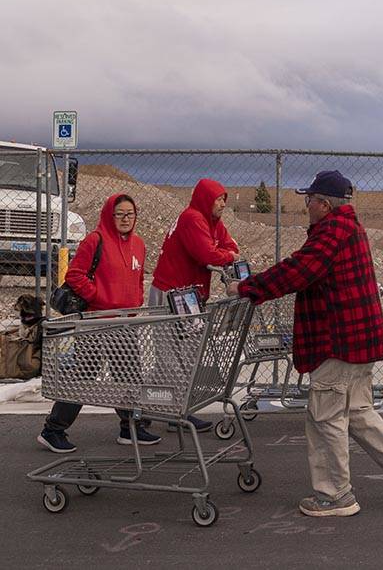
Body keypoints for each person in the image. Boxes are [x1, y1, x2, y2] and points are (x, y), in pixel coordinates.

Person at [228, 170, 383, 517]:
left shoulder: (332, 231)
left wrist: (247, 287)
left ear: (324, 204)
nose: (306, 206)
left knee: (326, 417)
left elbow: (298, 270)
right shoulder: (350, 227)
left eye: (309, 200)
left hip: (339, 339)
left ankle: (335, 495)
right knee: (356, 410)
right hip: (359, 337)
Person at [37, 194, 161, 452]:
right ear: (109, 215)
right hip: (95, 323)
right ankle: (53, 430)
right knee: (85, 376)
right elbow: (75, 275)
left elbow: (137, 279)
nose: (126, 219)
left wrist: (134, 302)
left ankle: (130, 428)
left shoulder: (138, 243)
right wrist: (99, 297)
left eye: (130, 214)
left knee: (129, 374)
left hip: (123, 323)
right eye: (120, 214)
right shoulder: (95, 240)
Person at [148, 178, 240, 432]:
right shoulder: (193, 218)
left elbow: (231, 245)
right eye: (218, 199)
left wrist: (225, 251)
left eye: (224, 199)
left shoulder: (212, 223)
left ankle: (139, 408)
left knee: (186, 356)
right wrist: (227, 255)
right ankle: (177, 414)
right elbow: (208, 255)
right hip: (170, 294)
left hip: (189, 298)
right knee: (171, 358)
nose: (222, 203)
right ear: (205, 198)